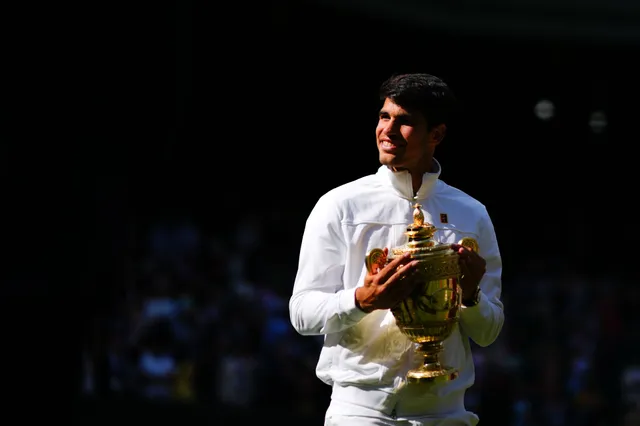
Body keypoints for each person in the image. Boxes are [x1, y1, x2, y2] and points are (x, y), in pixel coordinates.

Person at [289, 73, 504, 426]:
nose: (387, 130)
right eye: (384, 116)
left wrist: (470, 297)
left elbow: (488, 331)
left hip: (444, 412)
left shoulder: (473, 215)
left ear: (436, 134)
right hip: (358, 412)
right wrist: (362, 299)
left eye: (405, 122)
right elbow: (302, 313)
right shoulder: (340, 205)